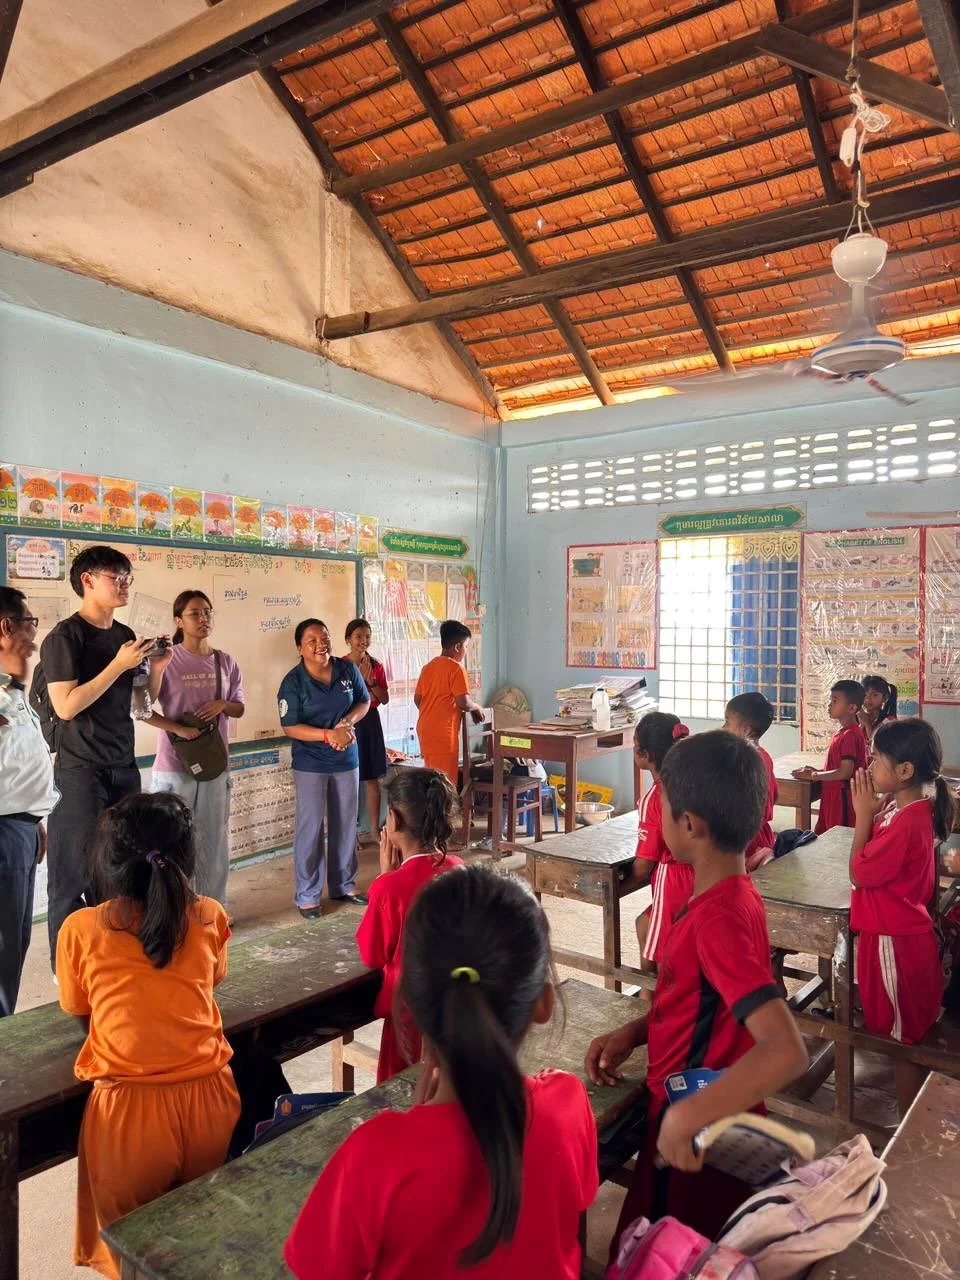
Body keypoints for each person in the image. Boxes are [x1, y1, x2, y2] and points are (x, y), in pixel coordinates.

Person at [285, 865, 598, 1279]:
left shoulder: (374, 1156)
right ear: (543, 1004)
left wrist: (414, 1129)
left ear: (409, 1002)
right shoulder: (568, 1105)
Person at [586, 730, 807, 1248]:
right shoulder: (729, 895)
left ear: (689, 825)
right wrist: (638, 1031)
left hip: (702, 1124)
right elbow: (705, 998)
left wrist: (687, 1117)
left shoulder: (720, 920)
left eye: (662, 804)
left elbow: (785, 1048)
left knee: (665, 1251)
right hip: (699, 1111)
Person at [56, 792, 240, 1279]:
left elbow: (81, 1010)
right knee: (200, 1248)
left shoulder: (80, 929)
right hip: (211, 1102)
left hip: (129, 1118)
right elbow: (211, 983)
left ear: (108, 862)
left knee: (138, 1263)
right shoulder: (209, 916)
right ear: (185, 856)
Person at [41, 545, 172, 964]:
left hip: (122, 766)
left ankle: (109, 958)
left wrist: (158, 668)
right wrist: (118, 665)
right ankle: (67, 969)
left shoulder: (124, 637)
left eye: (127, 578)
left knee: (119, 870)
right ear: (87, 580)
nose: (124, 585)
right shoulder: (65, 637)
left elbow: (141, 707)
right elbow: (65, 706)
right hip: (80, 769)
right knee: (71, 875)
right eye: (115, 577)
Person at [849, 718, 951, 1114]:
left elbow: (858, 872)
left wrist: (861, 817)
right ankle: (913, 1115)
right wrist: (873, 813)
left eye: (876, 759)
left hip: (895, 940)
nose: (870, 767)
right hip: (900, 934)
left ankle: (908, 1128)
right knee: (903, 1032)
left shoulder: (908, 821)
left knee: (902, 1041)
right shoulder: (906, 807)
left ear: (905, 771)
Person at [356, 768, 464, 1082]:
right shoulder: (460, 871)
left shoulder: (388, 889)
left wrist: (384, 878)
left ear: (393, 819)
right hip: (455, 1012)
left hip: (409, 1019)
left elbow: (372, 955)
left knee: (402, 1094)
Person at [147, 590, 245, 907]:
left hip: (214, 764)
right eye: (194, 613)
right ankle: (172, 907)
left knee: (214, 838)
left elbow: (240, 708)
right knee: (169, 840)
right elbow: (142, 707)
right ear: (179, 620)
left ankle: (213, 907)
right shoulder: (166, 659)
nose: (203, 619)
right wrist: (179, 729)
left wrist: (223, 704)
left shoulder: (225, 662)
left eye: (207, 612)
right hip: (174, 766)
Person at [278, 618, 370, 918]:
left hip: (347, 758)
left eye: (325, 638)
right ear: (299, 648)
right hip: (311, 763)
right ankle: (308, 894)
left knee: (345, 824)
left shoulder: (347, 669)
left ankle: (343, 884)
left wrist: (347, 723)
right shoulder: (293, 681)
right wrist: (328, 735)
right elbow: (290, 726)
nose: (321, 645)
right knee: (311, 828)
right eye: (312, 641)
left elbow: (363, 702)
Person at [0, 589, 59, 1016]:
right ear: (7, 628)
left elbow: (15, 761)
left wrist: (34, 817)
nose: (34, 628)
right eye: (29, 620)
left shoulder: (13, 688)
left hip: (19, 826)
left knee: (14, 942)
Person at [631, 711, 690, 968]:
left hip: (674, 878)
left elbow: (644, 864)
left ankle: (653, 998)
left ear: (646, 755)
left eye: (635, 747)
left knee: (665, 955)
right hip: (706, 871)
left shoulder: (654, 796)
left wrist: (626, 881)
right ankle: (647, 996)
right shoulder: (693, 782)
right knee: (646, 924)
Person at [792, 680, 868, 833]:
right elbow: (837, 768)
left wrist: (815, 775)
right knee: (826, 834)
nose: (829, 705)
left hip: (842, 798)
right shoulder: (843, 733)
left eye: (835, 701)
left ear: (852, 708)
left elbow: (845, 772)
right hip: (832, 795)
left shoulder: (851, 734)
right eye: (830, 700)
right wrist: (818, 771)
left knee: (838, 837)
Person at [415, 620, 483, 785]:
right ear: (457, 647)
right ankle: (442, 812)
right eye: (466, 647)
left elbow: (418, 700)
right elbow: (464, 702)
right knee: (445, 785)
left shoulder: (428, 667)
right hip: (443, 735)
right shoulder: (456, 668)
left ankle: (434, 811)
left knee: (431, 783)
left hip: (425, 731)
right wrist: (476, 707)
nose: (466, 651)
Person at [343, 619, 389, 841]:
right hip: (349, 721)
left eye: (367, 636)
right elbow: (339, 697)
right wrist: (359, 679)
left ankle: (373, 830)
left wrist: (371, 682)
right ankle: (350, 834)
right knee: (348, 778)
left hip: (370, 720)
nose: (363, 641)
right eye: (358, 636)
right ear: (348, 639)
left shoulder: (377, 665)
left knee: (372, 778)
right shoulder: (341, 665)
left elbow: (384, 698)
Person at [724, 692, 778, 871]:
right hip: (761, 835)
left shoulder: (743, 759)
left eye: (727, 722)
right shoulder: (765, 757)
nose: (724, 727)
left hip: (746, 839)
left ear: (746, 729)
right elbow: (775, 795)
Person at [858, 674, 898, 749]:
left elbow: (877, 746)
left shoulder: (889, 721)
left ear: (885, 698)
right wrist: (862, 725)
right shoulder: (860, 718)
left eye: (875, 695)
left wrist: (867, 723)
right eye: (865, 695)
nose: (868, 699)